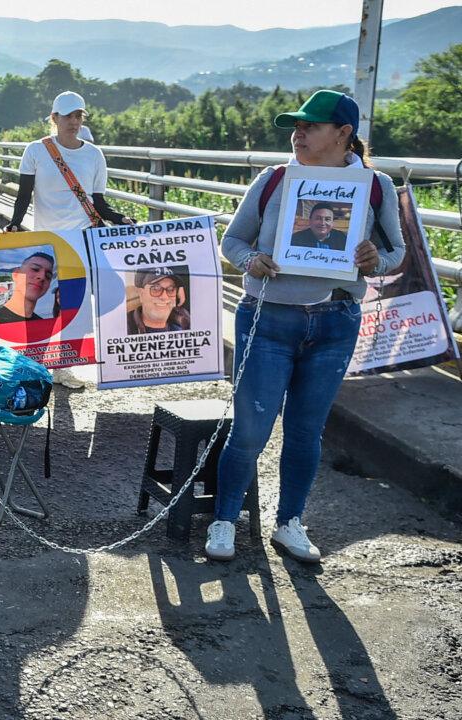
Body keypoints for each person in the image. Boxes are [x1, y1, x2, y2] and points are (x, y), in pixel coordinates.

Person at [205, 90, 405, 564]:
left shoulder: (374, 186)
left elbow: (396, 253)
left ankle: (290, 522)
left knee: (305, 431)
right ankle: (224, 520)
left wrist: (375, 261)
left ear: (343, 134)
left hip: (335, 321)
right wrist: (251, 260)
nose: (298, 134)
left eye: (310, 126)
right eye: (295, 126)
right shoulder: (275, 179)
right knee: (251, 429)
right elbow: (231, 241)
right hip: (269, 317)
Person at [4, 91, 134, 387]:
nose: (73, 122)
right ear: (54, 119)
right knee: (38, 302)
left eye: (78, 116)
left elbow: (98, 202)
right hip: (45, 240)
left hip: (79, 241)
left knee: (72, 305)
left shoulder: (94, 155)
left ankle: (64, 367)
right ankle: (34, 363)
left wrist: (118, 218)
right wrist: (14, 223)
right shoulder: (35, 151)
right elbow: (24, 194)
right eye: (67, 116)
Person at [126, 267, 190, 334]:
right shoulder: (125, 326)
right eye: (156, 288)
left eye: (171, 289)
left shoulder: (184, 318)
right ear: (141, 294)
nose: (164, 297)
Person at [0, 252, 55, 323]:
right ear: (16, 274)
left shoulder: (43, 324)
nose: (42, 277)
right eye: (35, 269)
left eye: (48, 276)